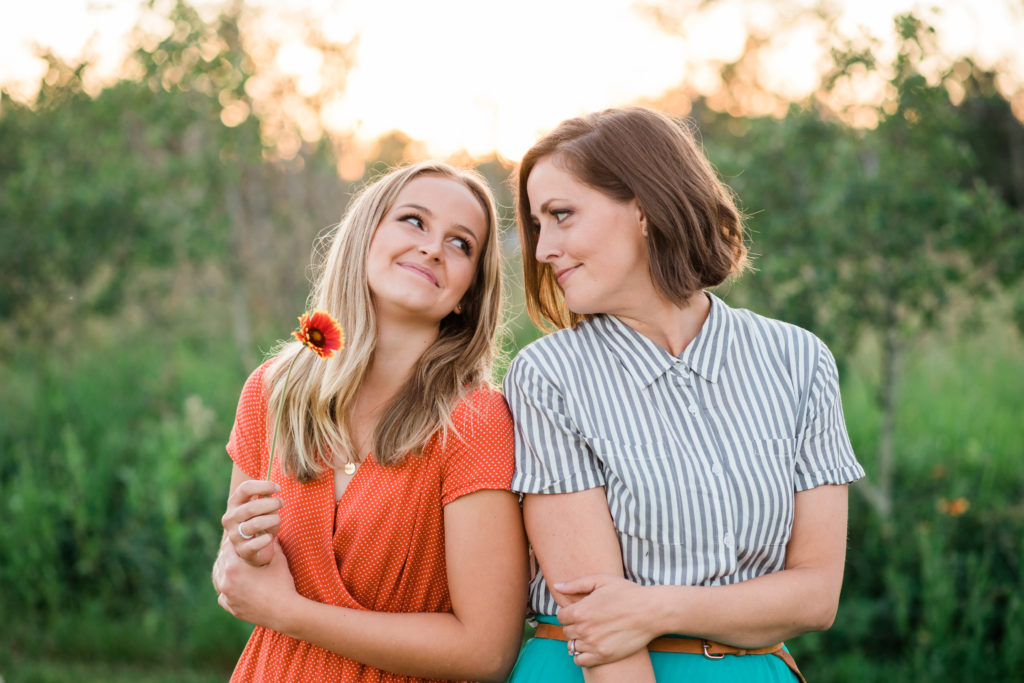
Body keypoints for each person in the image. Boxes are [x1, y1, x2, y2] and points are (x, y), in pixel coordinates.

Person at [502, 107, 865, 682]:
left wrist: (655, 607)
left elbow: (816, 597)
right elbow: (599, 628)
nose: (543, 249)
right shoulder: (549, 375)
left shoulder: (799, 361)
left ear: (645, 208)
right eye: (538, 225)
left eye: (561, 216)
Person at [212, 161, 529, 683]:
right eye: (413, 221)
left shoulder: (473, 421)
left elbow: (486, 653)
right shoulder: (273, 392)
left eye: (460, 244)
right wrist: (244, 554)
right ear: (365, 235)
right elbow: (237, 580)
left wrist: (290, 613)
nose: (432, 248)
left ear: (470, 290)